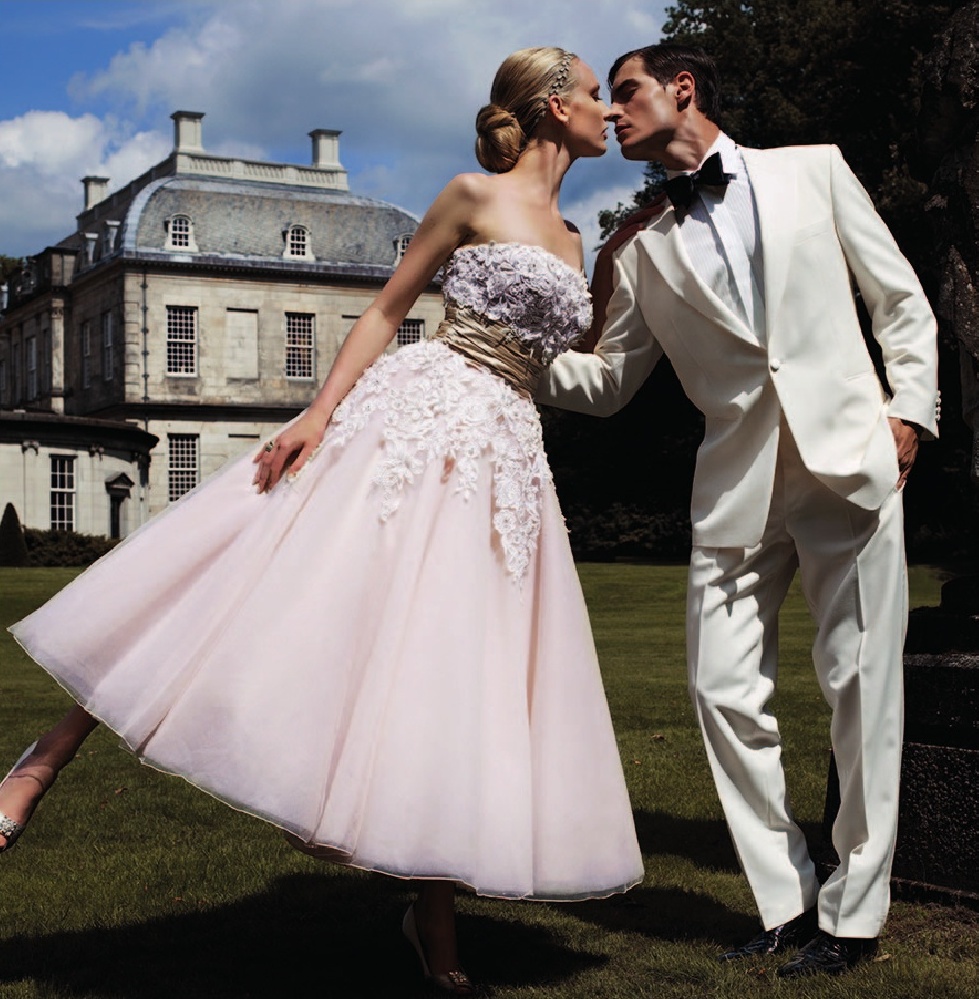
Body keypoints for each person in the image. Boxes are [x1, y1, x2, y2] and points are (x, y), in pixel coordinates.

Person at [3, 47, 644, 995]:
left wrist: (628, 262)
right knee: (248, 573)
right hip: (418, 415)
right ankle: (40, 762)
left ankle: (432, 927)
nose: (609, 114)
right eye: (597, 96)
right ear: (553, 108)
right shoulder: (470, 193)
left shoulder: (574, 239)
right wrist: (317, 412)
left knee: (449, 672)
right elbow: (386, 310)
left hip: (505, 449)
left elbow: (562, 361)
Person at [536, 43, 940, 979]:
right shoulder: (636, 248)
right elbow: (605, 383)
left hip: (849, 458)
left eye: (625, 91)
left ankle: (852, 912)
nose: (614, 112)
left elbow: (900, 300)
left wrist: (907, 413)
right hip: (735, 483)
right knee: (720, 689)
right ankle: (784, 899)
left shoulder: (814, 170)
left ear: (682, 90)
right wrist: (499, 351)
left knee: (859, 687)